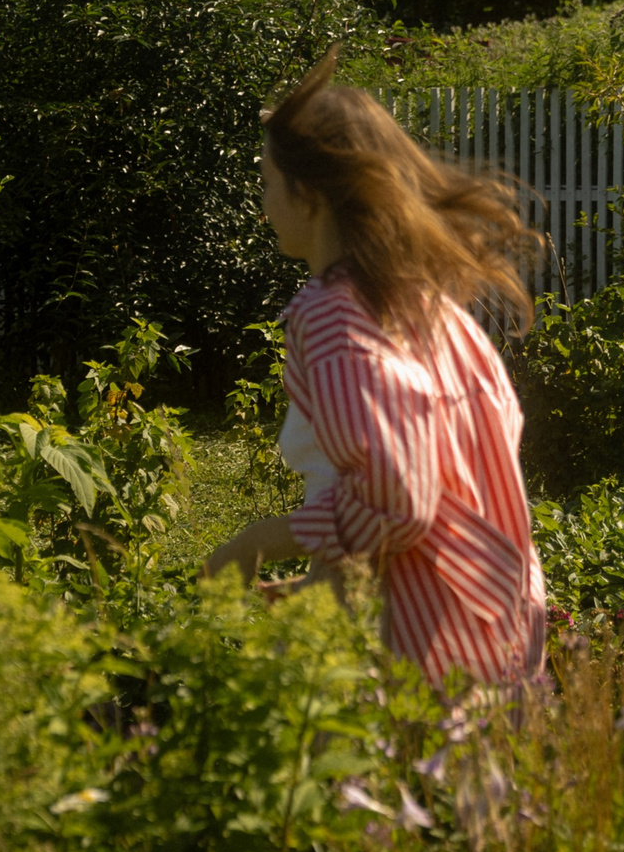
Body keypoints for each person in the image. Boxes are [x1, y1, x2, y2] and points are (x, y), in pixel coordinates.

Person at [202, 53, 548, 687]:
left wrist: (256, 542)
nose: (261, 206)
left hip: (419, 653)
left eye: (267, 184)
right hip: (496, 625)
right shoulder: (431, 310)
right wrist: (322, 586)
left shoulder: (331, 318)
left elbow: (397, 498)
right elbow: (426, 490)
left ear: (308, 196)